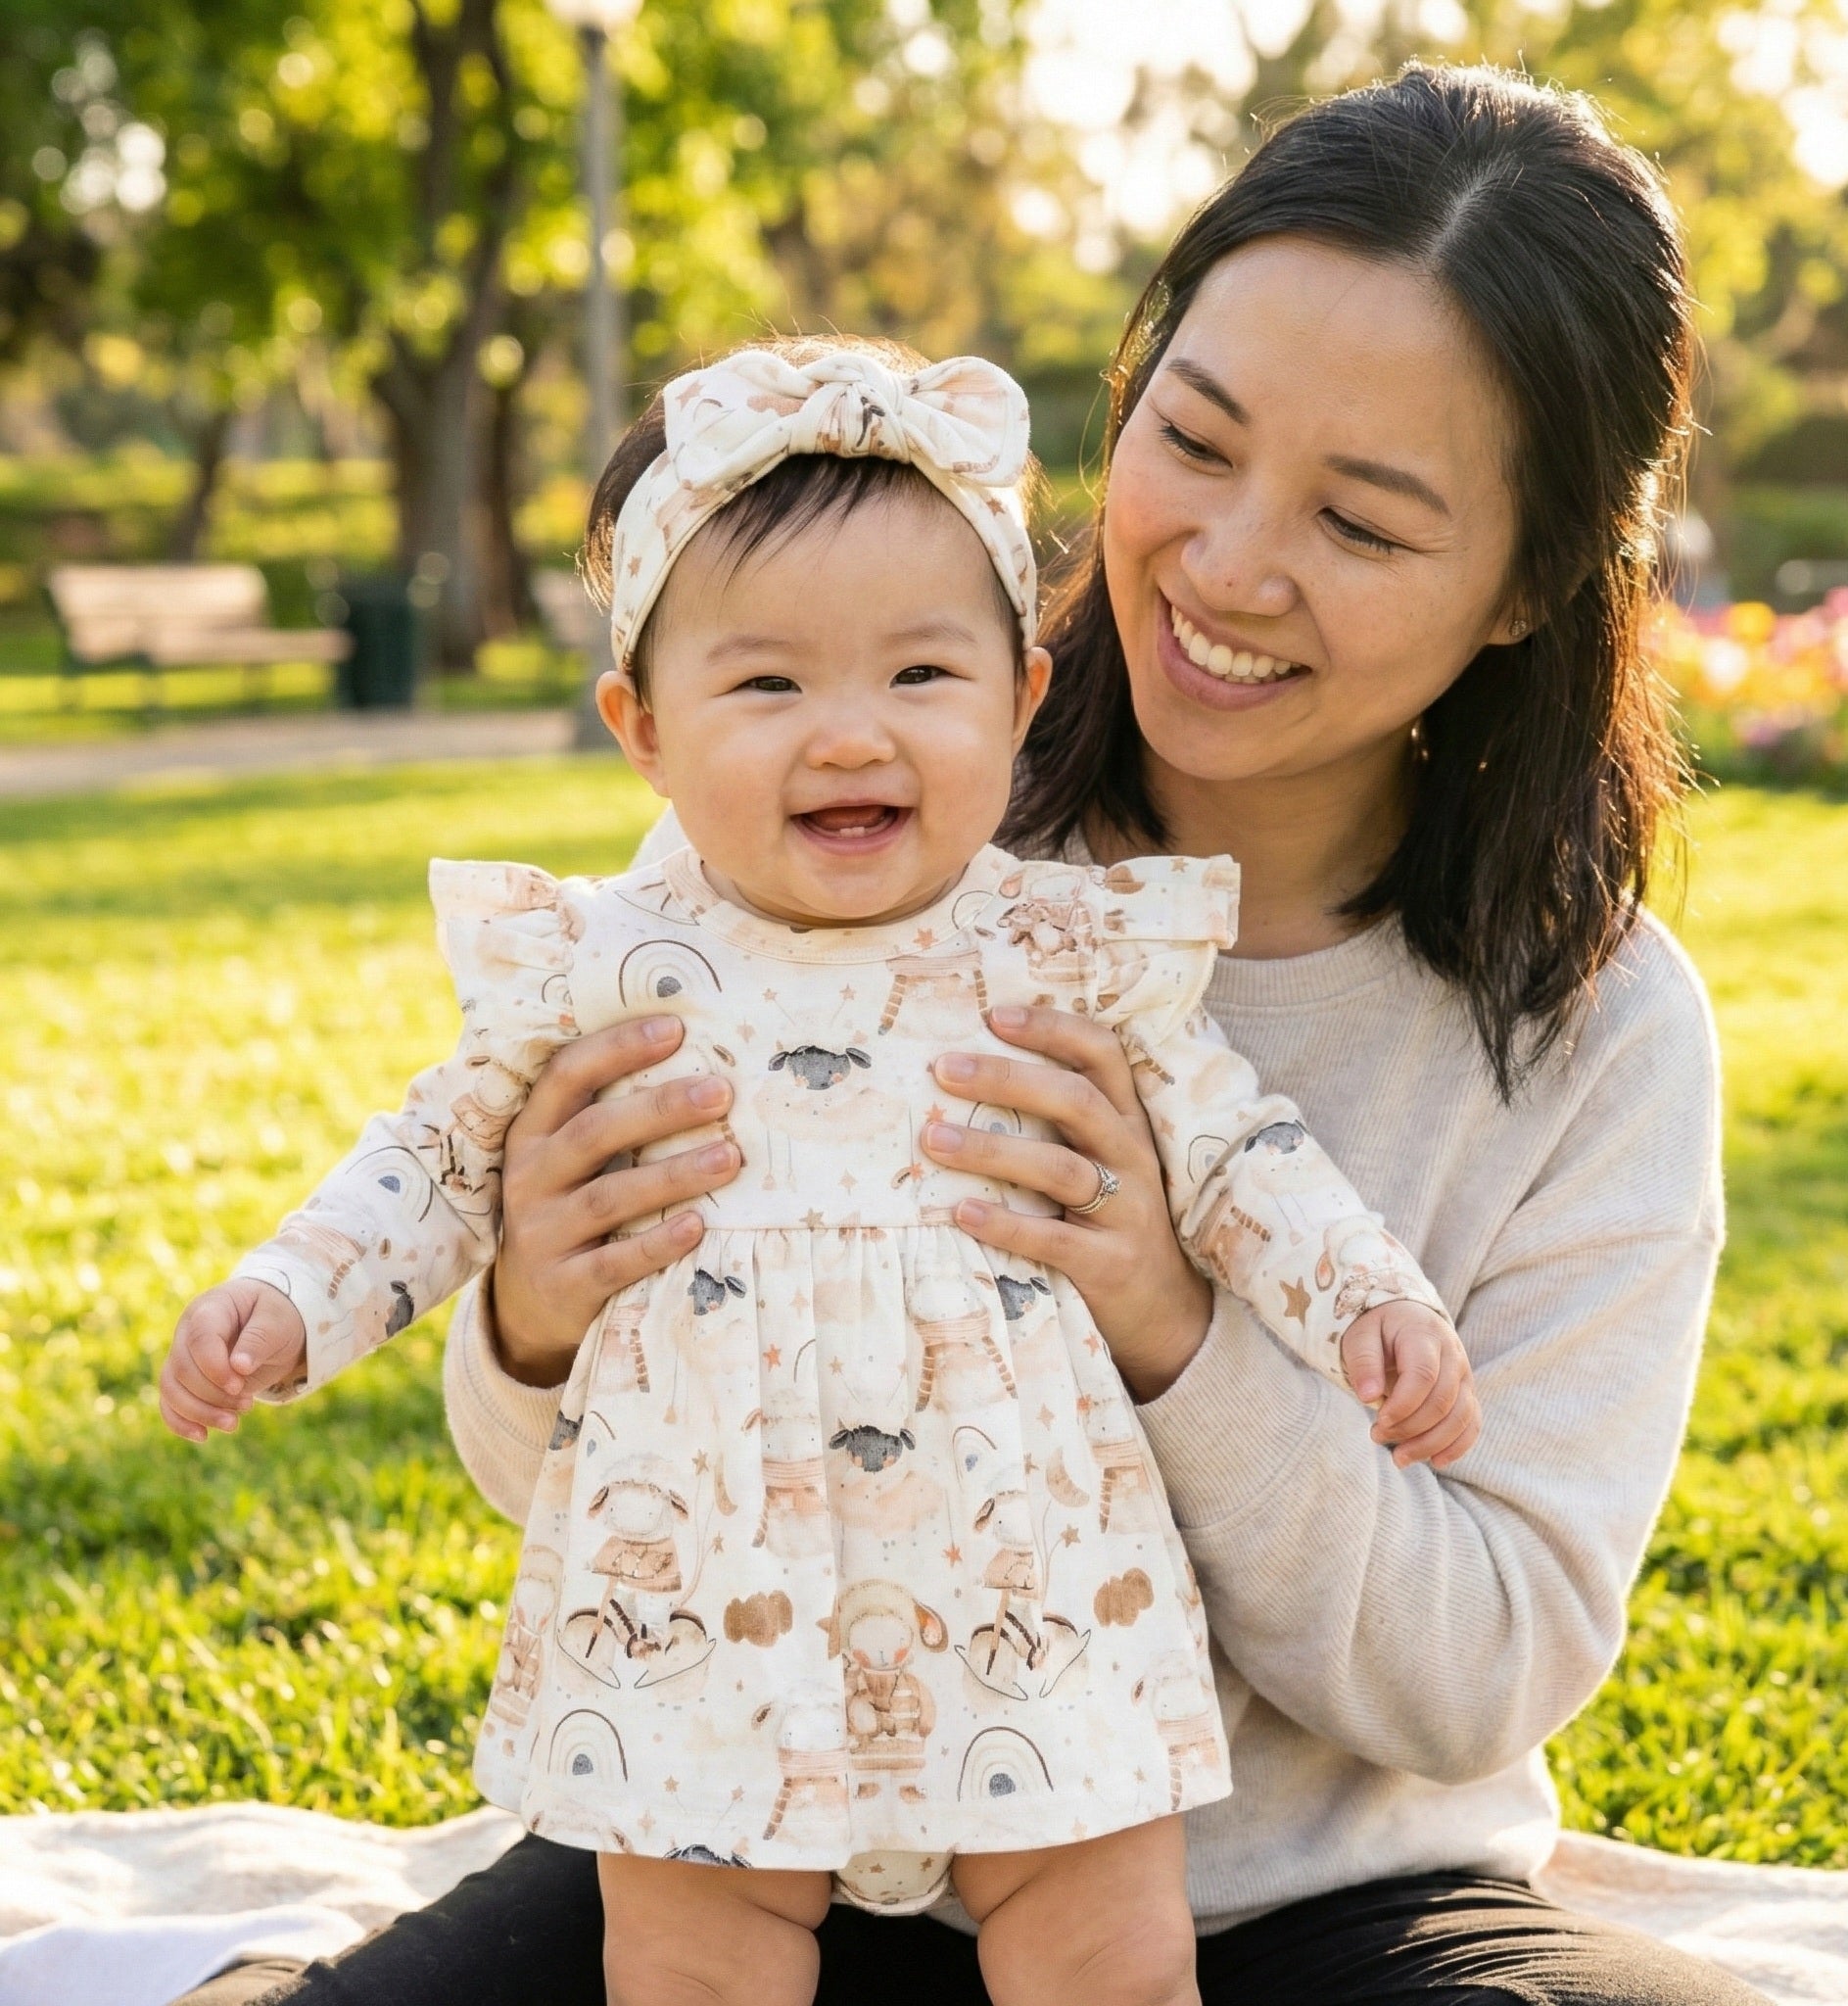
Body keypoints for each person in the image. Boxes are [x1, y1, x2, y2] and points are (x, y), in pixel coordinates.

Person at [164, 61, 1766, 2006]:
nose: (1226, 564)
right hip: (772, 1837)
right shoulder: (851, 814)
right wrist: (528, 1318)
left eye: (1358, 520)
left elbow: (1472, 1670)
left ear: (1523, 583)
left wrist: (1177, 1328)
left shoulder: (1588, 1030)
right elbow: (563, 1456)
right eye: (1195, 434)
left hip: (1310, 1908)